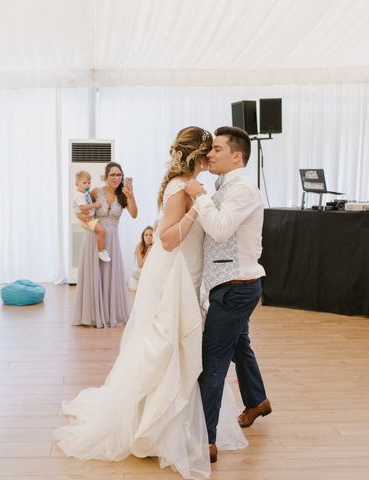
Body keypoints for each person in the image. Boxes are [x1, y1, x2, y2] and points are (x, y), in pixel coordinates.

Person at [56, 127, 247, 479]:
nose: (211, 157)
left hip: (186, 274)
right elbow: (167, 239)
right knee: (166, 344)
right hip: (174, 274)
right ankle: (157, 427)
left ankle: (186, 420)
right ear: (196, 156)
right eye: (208, 151)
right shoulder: (180, 188)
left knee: (179, 345)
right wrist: (193, 210)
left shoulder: (187, 185)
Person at [185, 126, 271, 464]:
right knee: (239, 345)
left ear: (237, 156)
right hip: (230, 285)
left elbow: (220, 230)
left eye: (217, 149)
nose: (209, 154)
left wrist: (198, 196)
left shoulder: (244, 189)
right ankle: (257, 401)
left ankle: (206, 440)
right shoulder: (226, 186)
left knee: (212, 363)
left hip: (236, 287)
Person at [72, 161, 138, 328]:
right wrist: (83, 218)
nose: (116, 178)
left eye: (119, 174)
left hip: (112, 241)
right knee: (95, 274)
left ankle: (109, 314)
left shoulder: (124, 195)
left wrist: (130, 195)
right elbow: (80, 210)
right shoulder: (95, 192)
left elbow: (134, 214)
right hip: (94, 237)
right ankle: (92, 315)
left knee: (109, 274)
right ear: (106, 176)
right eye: (112, 175)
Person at [73, 170, 110, 262]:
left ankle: (101, 250)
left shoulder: (85, 194)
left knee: (101, 231)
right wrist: (95, 205)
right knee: (102, 231)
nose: (87, 185)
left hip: (88, 218)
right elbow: (82, 208)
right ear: (76, 184)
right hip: (86, 219)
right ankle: (101, 251)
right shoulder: (79, 195)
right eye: (84, 183)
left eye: (89, 183)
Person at [127, 225, 153, 291]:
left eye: (151, 235)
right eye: (146, 235)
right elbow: (140, 265)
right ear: (143, 236)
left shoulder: (155, 246)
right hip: (142, 270)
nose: (148, 237)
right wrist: (148, 252)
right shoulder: (139, 247)